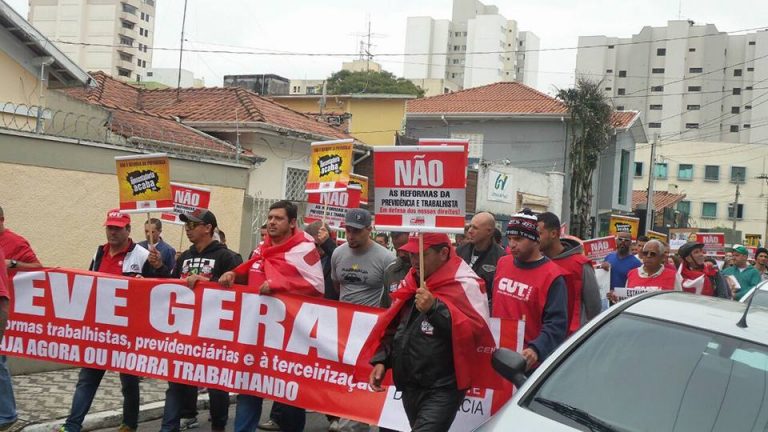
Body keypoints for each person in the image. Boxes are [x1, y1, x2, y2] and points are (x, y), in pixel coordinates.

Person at [368, 233, 494, 432]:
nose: (414, 261)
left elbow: (476, 333)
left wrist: (435, 309)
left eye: (422, 254)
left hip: (443, 387)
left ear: (443, 253)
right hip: (410, 385)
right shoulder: (410, 282)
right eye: (411, 254)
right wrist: (383, 360)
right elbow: (396, 326)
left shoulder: (465, 283)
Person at [218, 200, 323, 432]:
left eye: (279, 218)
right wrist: (233, 274)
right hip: (255, 336)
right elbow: (253, 268)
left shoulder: (304, 249)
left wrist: (277, 284)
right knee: (248, 389)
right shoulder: (262, 248)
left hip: (288, 339)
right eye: (270, 217)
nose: (272, 222)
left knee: (289, 399)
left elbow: (315, 286)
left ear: (293, 223)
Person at [60, 209, 156, 432]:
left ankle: (129, 424)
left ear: (128, 230)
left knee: (129, 382)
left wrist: (150, 277)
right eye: (109, 227)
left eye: (117, 228)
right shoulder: (99, 252)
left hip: (129, 330)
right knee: (87, 379)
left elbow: (157, 289)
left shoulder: (142, 255)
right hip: (100, 329)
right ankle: (71, 426)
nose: (112, 232)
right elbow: (89, 282)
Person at [149, 209, 242, 432]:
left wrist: (206, 284)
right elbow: (174, 285)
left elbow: (241, 291)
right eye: (187, 226)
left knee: (215, 384)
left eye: (193, 225)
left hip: (214, 331)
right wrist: (160, 267)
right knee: (179, 378)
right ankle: (176, 421)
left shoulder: (227, 257)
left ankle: (218, 426)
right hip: (185, 330)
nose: (188, 230)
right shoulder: (185, 257)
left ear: (208, 227)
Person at [330, 209, 394, 431]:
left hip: (371, 332)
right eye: (348, 230)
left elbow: (391, 296)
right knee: (343, 377)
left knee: (363, 379)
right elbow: (338, 285)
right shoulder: (338, 254)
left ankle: (356, 422)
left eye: (356, 231)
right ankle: (345, 416)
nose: (350, 235)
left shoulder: (386, 258)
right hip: (343, 329)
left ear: (369, 229)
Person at [492, 210, 568, 370]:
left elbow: (557, 324)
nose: (512, 244)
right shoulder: (503, 263)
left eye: (518, 239)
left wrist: (536, 348)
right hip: (497, 355)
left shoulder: (552, 275)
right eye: (510, 238)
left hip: (527, 364)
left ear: (535, 239)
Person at [0, 206, 42, 432]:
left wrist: (13, 264)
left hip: (6, 307)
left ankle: (7, 415)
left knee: (0, 362)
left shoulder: (15, 242)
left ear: (2, 220)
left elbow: (38, 267)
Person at [537, 212, 601, 335]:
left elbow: (594, 307)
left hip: (570, 338)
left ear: (554, 234)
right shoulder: (537, 261)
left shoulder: (581, 264)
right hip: (543, 335)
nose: (535, 238)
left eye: (539, 233)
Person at [457, 212, 505, 306]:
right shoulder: (460, 251)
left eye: (475, 228)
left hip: (483, 312)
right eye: (470, 226)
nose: (470, 231)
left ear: (489, 231)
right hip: (459, 308)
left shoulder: (500, 258)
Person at [602, 231, 641, 303]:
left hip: (622, 303)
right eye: (620, 239)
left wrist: (618, 294)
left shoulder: (636, 263)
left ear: (630, 243)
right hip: (606, 299)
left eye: (626, 240)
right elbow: (601, 276)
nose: (622, 242)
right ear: (616, 241)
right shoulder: (609, 257)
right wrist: (602, 267)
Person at [305, 221, 338, 301]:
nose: (319, 249)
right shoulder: (302, 257)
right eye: (315, 245)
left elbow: (342, 261)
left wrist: (327, 244)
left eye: (322, 245)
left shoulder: (335, 256)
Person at [380, 232, 411, 308]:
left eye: (405, 249)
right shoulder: (390, 271)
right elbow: (384, 306)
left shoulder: (427, 270)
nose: (401, 254)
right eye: (397, 250)